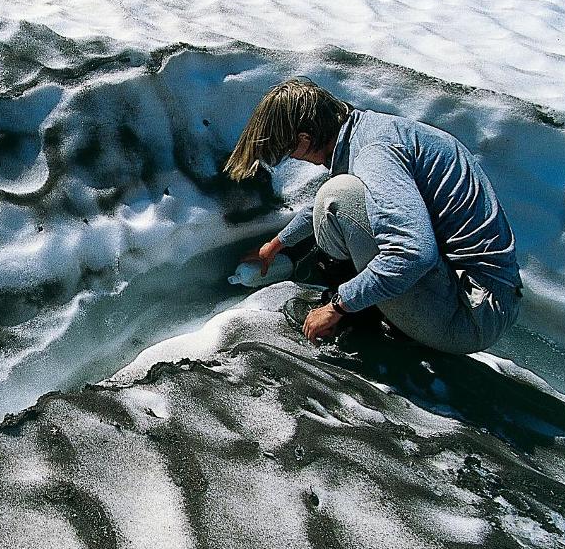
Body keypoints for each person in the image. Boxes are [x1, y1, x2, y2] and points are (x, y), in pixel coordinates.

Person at [223, 78, 522, 354]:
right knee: (336, 195)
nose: (296, 159)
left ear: (304, 139)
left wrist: (339, 306)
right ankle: (372, 303)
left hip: (468, 315)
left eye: (290, 152)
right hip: (480, 298)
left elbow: (413, 253)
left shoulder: (374, 153)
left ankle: (361, 316)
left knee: (338, 196)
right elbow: (323, 206)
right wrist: (275, 245)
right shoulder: (369, 131)